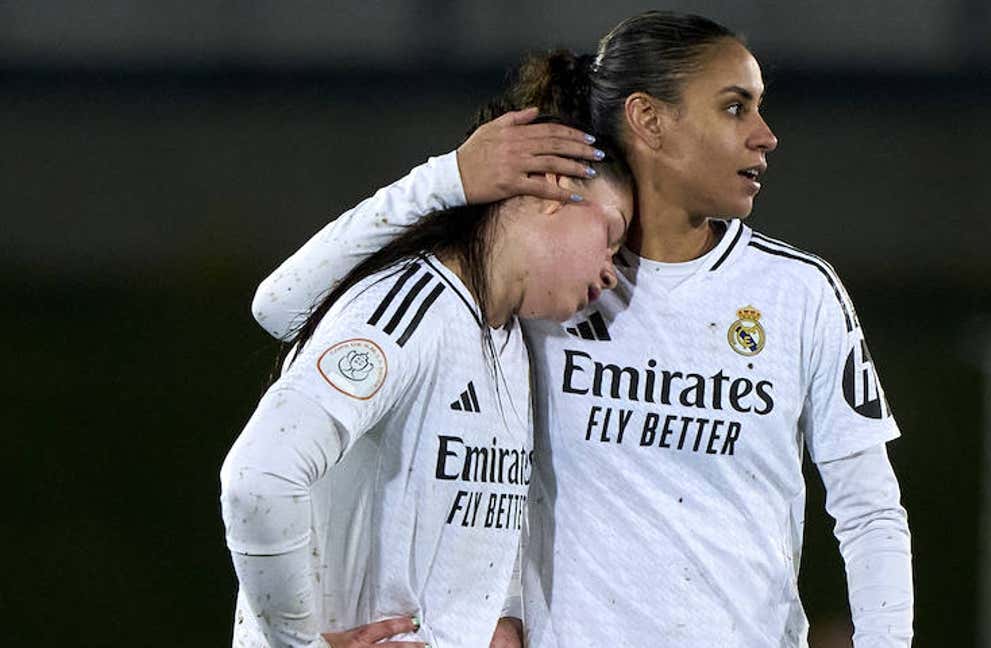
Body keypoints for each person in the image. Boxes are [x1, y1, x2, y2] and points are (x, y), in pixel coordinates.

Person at [251, 11, 914, 648]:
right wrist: (445, 180)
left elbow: (870, 510)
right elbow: (286, 310)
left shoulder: (799, 293)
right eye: (735, 106)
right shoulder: (546, 292)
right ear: (649, 119)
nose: (766, 134)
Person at [219, 93, 633, 647]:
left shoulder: (511, 342)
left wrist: (502, 618)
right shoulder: (407, 311)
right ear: (554, 194)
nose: (611, 275)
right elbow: (258, 478)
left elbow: (480, 521)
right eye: (611, 237)